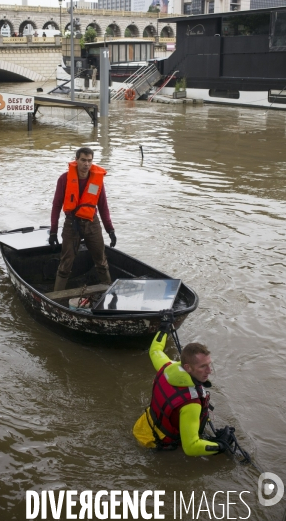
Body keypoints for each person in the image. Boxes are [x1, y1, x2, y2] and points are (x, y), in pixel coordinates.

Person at [133, 319, 235, 456]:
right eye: (203, 367)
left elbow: (155, 350)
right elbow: (191, 448)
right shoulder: (191, 404)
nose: (209, 371)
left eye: (209, 364)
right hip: (155, 444)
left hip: (142, 428)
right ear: (187, 367)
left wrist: (163, 329)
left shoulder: (166, 367)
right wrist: (220, 445)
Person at [49, 147, 116, 292]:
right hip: (71, 224)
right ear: (77, 160)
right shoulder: (64, 179)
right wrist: (53, 231)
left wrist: (110, 230)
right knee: (65, 263)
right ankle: (56, 296)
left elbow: (103, 207)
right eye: (83, 160)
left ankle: (109, 291)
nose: (86, 164)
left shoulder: (97, 180)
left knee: (101, 261)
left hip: (92, 223)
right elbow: (56, 206)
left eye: (89, 161)